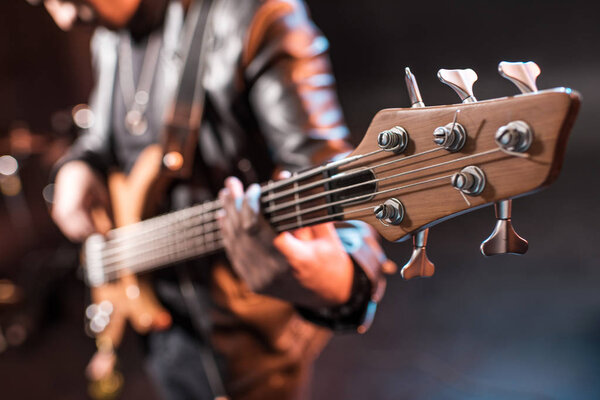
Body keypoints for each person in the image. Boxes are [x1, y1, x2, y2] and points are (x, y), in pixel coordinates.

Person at [45, 0, 394, 398]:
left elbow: (336, 181)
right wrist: (75, 165)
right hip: (164, 337)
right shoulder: (108, 38)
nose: (65, 17)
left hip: (253, 350)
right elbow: (104, 136)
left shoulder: (257, 14)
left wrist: (341, 280)